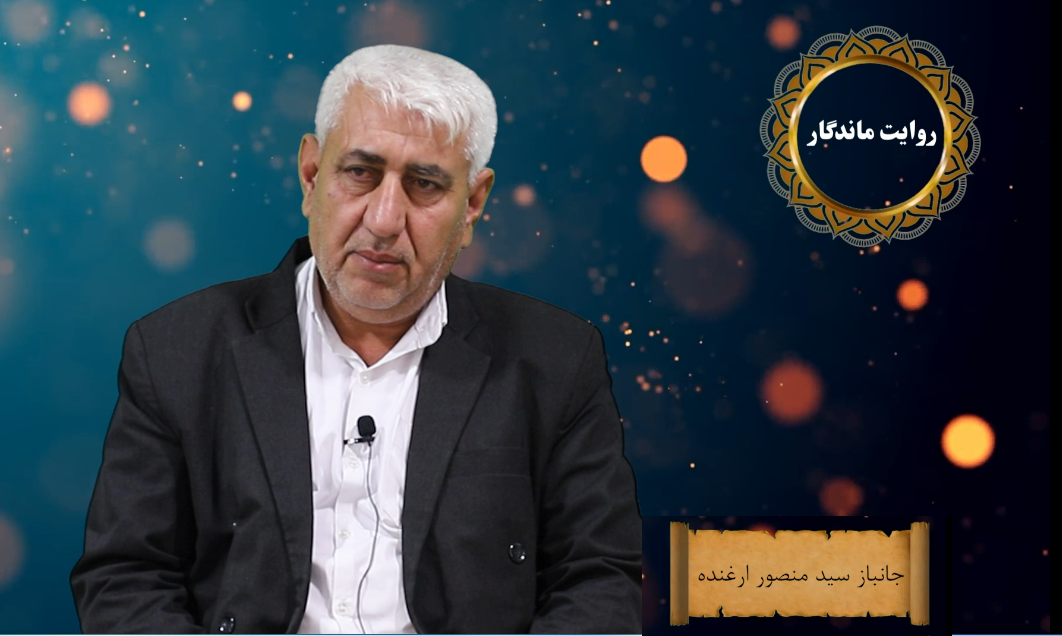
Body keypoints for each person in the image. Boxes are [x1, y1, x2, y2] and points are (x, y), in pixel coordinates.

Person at [70, 44, 642, 634]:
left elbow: (597, 580)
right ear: (311, 175)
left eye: (424, 183)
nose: (384, 219)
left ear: (473, 204)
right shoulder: (175, 350)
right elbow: (126, 578)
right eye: (360, 173)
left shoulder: (557, 359)